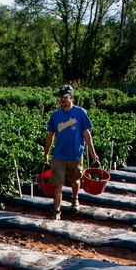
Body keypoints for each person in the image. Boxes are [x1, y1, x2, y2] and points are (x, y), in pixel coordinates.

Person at [43, 84, 99, 221]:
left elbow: (87, 135)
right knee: (58, 184)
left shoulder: (80, 113)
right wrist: (46, 154)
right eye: (60, 97)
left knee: (75, 181)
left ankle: (75, 199)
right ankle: (56, 211)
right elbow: (50, 136)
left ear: (71, 97)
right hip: (59, 156)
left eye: (65, 97)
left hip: (75, 155)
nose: (62, 99)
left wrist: (93, 153)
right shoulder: (55, 116)